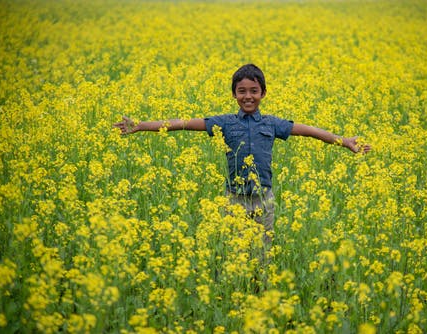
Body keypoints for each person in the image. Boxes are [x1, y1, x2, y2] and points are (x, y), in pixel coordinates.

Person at [113, 63, 371, 249]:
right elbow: (183, 123)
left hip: (263, 198)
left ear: (263, 94)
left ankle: (259, 292)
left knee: (262, 252)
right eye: (242, 91)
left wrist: (344, 141)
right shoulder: (223, 123)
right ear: (234, 94)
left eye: (254, 91)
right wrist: (141, 125)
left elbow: (308, 131)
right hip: (234, 198)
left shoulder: (271, 124)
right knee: (234, 252)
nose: (248, 96)